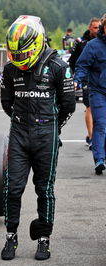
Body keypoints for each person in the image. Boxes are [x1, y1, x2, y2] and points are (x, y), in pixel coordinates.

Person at [1, 15, 76, 261]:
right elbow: (6, 102)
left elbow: (68, 105)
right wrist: (23, 121)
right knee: (12, 189)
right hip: (19, 133)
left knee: (44, 189)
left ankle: (44, 239)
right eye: (15, 54)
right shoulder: (10, 69)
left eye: (22, 54)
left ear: (35, 45)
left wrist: (52, 126)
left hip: (47, 134)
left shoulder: (58, 66)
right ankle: (11, 236)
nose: (18, 59)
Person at [74, 14, 106, 175]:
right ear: (104, 28)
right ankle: (99, 159)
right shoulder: (93, 46)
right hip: (99, 91)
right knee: (100, 124)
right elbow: (82, 65)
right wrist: (76, 81)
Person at [69, 18, 101, 149]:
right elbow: (73, 61)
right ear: (89, 28)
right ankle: (92, 136)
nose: (97, 30)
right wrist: (77, 78)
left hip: (100, 78)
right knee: (89, 107)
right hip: (86, 78)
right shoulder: (81, 42)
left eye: (99, 27)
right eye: (95, 28)